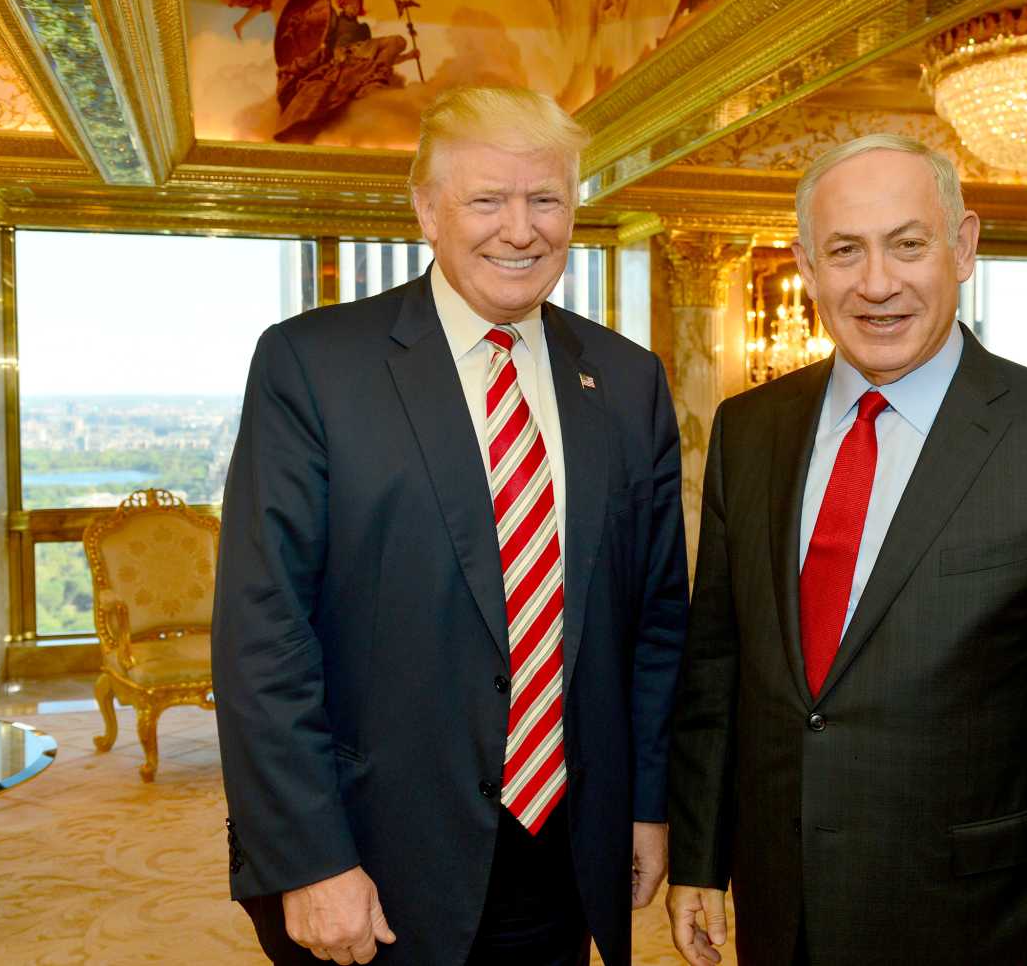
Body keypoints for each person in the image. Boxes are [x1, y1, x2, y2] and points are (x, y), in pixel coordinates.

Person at [665, 134, 1027, 966]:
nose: (877, 284)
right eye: (845, 251)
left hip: (983, 923)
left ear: (963, 247)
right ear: (806, 266)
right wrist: (699, 857)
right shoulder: (749, 429)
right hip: (783, 909)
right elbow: (718, 667)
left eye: (908, 245)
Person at [213, 85, 689, 966]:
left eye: (545, 199)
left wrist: (647, 804)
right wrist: (309, 857)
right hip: (375, 857)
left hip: (563, 851)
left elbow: (657, 621)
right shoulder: (313, 365)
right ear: (428, 209)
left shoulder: (628, 381)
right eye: (487, 200)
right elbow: (263, 634)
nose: (521, 230)